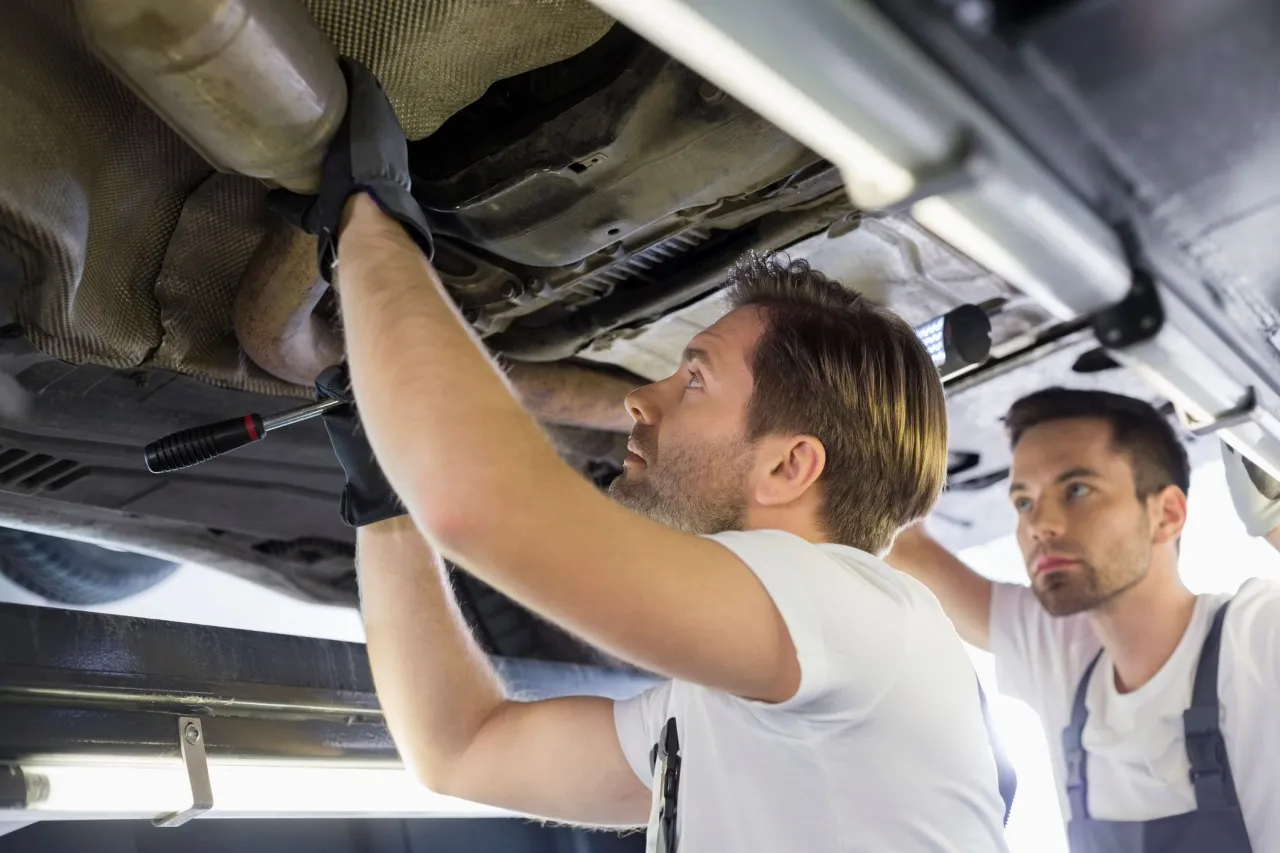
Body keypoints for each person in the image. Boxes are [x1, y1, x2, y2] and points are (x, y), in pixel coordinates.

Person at [273, 58, 1012, 851]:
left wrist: (373, 223)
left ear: (789, 467)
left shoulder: (862, 613)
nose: (640, 400)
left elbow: (475, 509)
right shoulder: (742, 693)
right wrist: (392, 507)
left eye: (694, 378)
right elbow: (462, 742)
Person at [886, 386, 1280, 852]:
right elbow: (904, 543)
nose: (1039, 524)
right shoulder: (1061, 653)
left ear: (1167, 515)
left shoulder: (1255, 641)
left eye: (1076, 490)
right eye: (1024, 502)